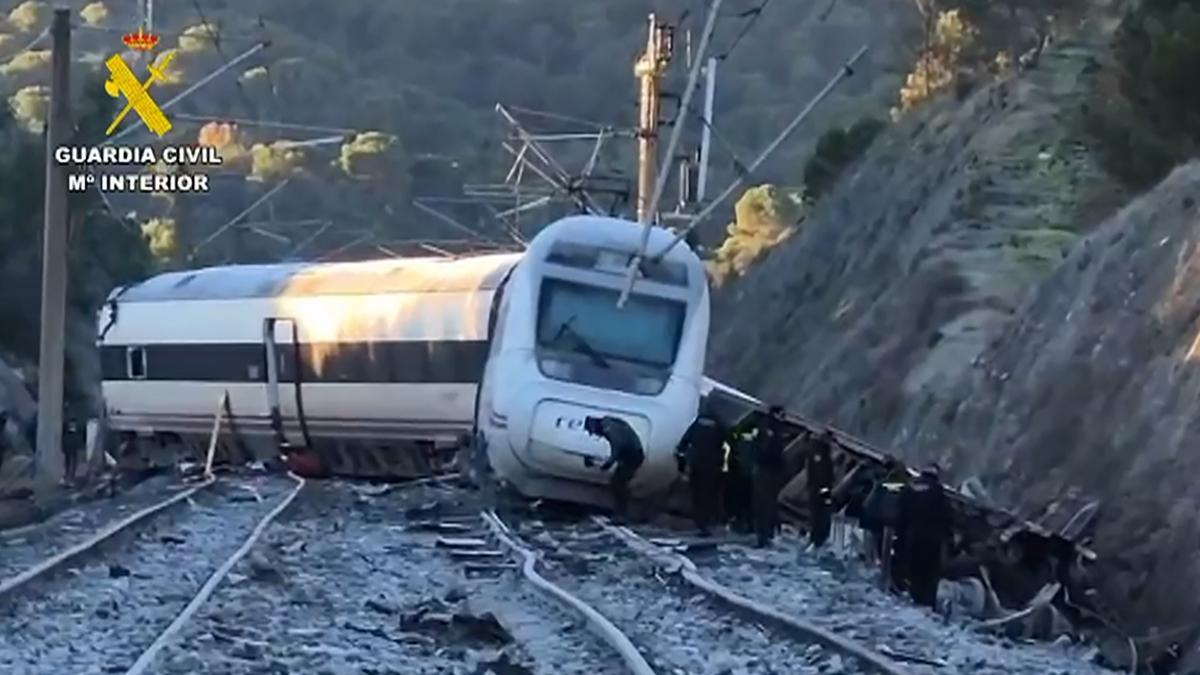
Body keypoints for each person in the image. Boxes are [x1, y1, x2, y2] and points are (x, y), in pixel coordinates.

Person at [900, 463, 952, 608]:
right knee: (929, 578)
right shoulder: (938, 491)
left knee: (913, 574)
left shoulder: (909, 488)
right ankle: (928, 604)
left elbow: (900, 514)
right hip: (931, 542)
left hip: (911, 539)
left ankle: (912, 599)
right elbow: (946, 518)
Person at [676, 399, 728, 536]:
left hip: (696, 463)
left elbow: (685, 441)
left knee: (697, 494)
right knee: (709, 495)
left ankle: (699, 522)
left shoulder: (698, 422)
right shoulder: (720, 424)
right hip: (711, 465)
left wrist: (682, 459)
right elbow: (727, 443)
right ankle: (707, 524)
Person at [586, 415, 645, 521]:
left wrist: (608, 463)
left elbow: (617, 446)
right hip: (629, 455)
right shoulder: (609, 424)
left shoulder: (609, 428)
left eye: (594, 432)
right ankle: (621, 511)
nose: (597, 435)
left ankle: (623, 514)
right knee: (617, 482)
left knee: (618, 483)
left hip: (634, 456)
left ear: (595, 427)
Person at [751, 405, 787, 548]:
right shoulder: (771, 429)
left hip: (764, 470)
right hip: (767, 470)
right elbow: (770, 451)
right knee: (766, 503)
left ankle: (764, 534)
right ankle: (764, 535)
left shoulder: (765, 427)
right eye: (782, 414)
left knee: (763, 503)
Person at [806, 429, 835, 548]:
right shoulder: (821, 453)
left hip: (816, 488)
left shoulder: (817, 451)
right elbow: (821, 474)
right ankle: (817, 540)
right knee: (820, 515)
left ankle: (816, 539)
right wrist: (826, 492)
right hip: (820, 489)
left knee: (817, 515)